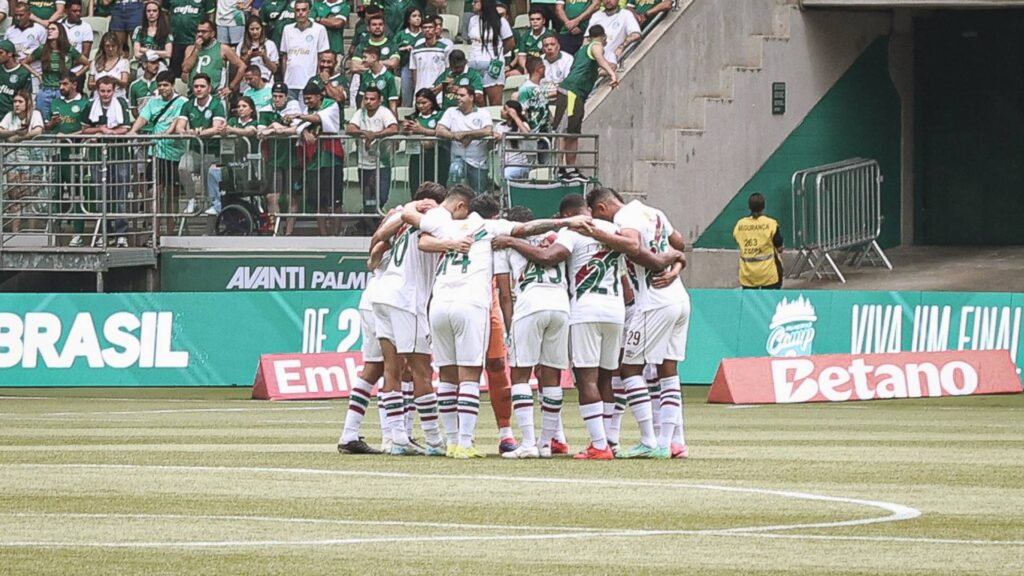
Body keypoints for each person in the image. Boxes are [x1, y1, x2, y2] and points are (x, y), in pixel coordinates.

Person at [400, 188, 590, 458]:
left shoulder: (444, 223)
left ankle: (451, 442)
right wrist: (564, 222)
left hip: (439, 302)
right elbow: (529, 228)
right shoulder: (492, 227)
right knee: (469, 375)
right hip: (472, 303)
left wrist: (416, 206)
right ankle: (465, 443)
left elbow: (412, 224)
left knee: (446, 376)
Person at [586, 187, 689, 459]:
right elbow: (679, 243)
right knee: (668, 369)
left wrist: (597, 233)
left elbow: (631, 246)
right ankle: (672, 443)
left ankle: (649, 440)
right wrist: (674, 267)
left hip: (653, 300)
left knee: (630, 367)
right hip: (679, 297)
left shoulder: (624, 219)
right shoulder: (654, 211)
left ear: (601, 209)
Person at [368, 182, 451, 456]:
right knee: (422, 369)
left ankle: (398, 437)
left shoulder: (400, 218)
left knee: (392, 368)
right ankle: (434, 439)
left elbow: (377, 241)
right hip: (407, 297)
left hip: (382, 294)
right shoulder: (437, 216)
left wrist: (406, 209)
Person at [552, 25, 617, 181]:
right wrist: (612, 74)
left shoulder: (582, 50)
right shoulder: (596, 45)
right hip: (571, 92)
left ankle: (571, 168)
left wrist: (604, 70)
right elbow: (600, 58)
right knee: (566, 131)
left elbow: (588, 68)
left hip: (575, 93)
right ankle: (561, 168)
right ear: (603, 37)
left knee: (573, 133)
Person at [128, 70, 186, 236]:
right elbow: (143, 118)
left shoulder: (183, 102)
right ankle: (154, 232)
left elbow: (177, 121)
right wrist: (133, 131)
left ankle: (170, 233)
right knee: (153, 193)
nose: (162, 88)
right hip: (156, 153)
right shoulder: (153, 102)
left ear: (172, 85)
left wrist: (167, 132)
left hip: (175, 155)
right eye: (160, 85)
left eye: (165, 85)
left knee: (172, 196)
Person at [285, 79, 344, 235]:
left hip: (330, 157)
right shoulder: (307, 111)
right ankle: (324, 234)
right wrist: (303, 131)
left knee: (335, 200)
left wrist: (300, 117)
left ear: (319, 96)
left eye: (310, 98)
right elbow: (298, 127)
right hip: (313, 160)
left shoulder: (331, 105)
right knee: (317, 200)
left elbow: (319, 118)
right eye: (305, 99)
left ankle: (336, 234)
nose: (307, 102)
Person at [80, 76, 133, 247]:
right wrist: (100, 130)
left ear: (114, 90)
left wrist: (110, 133)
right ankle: (105, 232)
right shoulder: (89, 105)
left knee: (121, 195)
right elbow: (84, 129)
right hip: (97, 156)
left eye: (108, 91)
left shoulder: (122, 104)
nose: (105, 94)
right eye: (102, 91)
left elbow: (126, 127)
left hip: (120, 154)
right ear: (97, 91)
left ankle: (121, 233)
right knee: (102, 196)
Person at [172, 72, 227, 215]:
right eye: (196, 86)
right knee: (183, 167)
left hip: (212, 152)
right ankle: (192, 200)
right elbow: (179, 127)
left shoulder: (217, 104)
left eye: (202, 86)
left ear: (209, 88)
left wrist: (195, 132)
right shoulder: (188, 104)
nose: (198, 89)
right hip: (195, 150)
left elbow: (216, 128)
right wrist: (194, 132)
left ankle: (212, 210)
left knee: (209, 183)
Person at [45, 72, 88, 246]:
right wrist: (51, 126)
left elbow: (86, 129)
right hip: (57, 154)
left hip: (75, 154)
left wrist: (68, 136)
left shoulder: (84, 103)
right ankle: (55, 228)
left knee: (76, 192)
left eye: (64, 84)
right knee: (55, 191)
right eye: (60, 84)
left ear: (74, 84)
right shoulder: (56, 102)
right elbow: (47, 127)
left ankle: (78, 232)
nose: (61, 87)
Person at [255, 81, 302, 235]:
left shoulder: (294, 106)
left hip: (292, 158)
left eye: (280, 96)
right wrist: (275, 126)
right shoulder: (266, 109)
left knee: (291, 197)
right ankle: (275, 231)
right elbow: (260, 132)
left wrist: (275, 129)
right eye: (274, 96)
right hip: (273, 159)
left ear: (286, 97)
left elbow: (296, 130)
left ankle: (288, 233)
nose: (277, 99)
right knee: (272, 196)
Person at [346, 84, 397, 220]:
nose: (368, 102)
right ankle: (369, 222)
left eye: (372, 99)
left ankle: (375, 219)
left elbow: (393, 128)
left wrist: (375, 135)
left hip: (382, 162)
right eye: (366, 99)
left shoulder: (384, 112)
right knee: (367, 197)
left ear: (379, 100)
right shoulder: (360, 113)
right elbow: (349, 129)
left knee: (381, 196)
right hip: (364, 163)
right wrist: (364, 132)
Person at [22, 21, 88, 119]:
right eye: (48, 29)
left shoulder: (69, 50)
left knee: (62, 119)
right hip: (45, 90)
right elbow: (24, 62)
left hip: (62, 90)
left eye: (53, 29)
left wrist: (74, 77)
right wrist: (38, 75)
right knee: (44, 120)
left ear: (60, 32)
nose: (49, 31)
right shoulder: (42, 49)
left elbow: (86, 64)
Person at [205, 95, 258, 215]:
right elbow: (223, 129)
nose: (240, 109)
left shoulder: (254, 122)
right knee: (212, 171)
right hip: (230, 162)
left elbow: (249, 131)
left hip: (247, 165)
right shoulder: (232, 121)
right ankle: (216, 204)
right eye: (238, 106)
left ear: (251, 110)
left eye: (244, 106)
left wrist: (232, 130)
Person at [437, 84, 492, 193]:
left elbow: (488, 131)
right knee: (454, 172)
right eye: (457, 95)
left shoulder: (483, 113)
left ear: (471, 97)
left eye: (462, 95)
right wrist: (454, 136)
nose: (458, 98)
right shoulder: (451, 111)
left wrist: (468, 135)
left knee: (479, 193)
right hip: (458, 157)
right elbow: (439, 130)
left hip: (479, 161)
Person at [181, 19, 246, 99]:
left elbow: (242, 66)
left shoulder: (223, 48)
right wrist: (196, 50)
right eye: (198, 31)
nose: (200, 34)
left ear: (212, 33)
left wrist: (231, 87)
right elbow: (185, 69)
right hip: (193, 96)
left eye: (204, 32)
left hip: (215, 96)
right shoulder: (190, 49)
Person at [465, 0, 513, 106]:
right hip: (474, 65)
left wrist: (498, 55)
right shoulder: (472, 20)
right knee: (477, 101)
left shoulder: (501, 21)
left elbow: (510, 43)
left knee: (495, 102)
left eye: (476, 1)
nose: (473, 3)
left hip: (492, 65)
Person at [279, 0, 329, 101]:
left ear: (309, 12)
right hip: (290, 83)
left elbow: (322, 57)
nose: (300, 12)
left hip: (309, 82)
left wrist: (317, 79)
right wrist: (285, 78)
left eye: (303, 10)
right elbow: (285, 57)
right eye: (297, 10)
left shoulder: (319, 29)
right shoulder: (287, 29)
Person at [733, 192, 784, 289]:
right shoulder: (771, 224)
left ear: (749, 207)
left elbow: (737, 239)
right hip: (768, 275)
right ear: (763, 206)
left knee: (750, 301)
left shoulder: (740, 224)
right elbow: (779, 248)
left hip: (747, 275)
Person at [402, 87, 449, 193]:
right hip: (417, 154)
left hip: (437, 155)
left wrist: (422, 130)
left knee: (437, 185)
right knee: (416, 185)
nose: (421, 106)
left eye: (424, 102)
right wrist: (405, 130)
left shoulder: (440, 115)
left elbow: (442, 133)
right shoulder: (413, 117)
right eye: (418, 103)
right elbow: (404, 134)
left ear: (432, 102)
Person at [165, 0, 215, 79]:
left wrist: (208, 33)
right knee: (175, 73)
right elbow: (164, 13)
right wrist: (169, 31)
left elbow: (211, 14)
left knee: (195, 71)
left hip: (196, 41)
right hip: (176, 40)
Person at [586, 0, 640, 66]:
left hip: (612, 61)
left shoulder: (626, 14)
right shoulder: (596, 16)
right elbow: (586, 39)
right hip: (593, 61)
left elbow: (636, 34)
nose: (608, 1)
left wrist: (621, 47)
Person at [408, 14, 451, 97]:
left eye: (430, 27)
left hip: (438, 94)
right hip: (420, 93)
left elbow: (448, 71)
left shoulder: (445, 49)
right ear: (421, 30)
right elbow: (414, 73)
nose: (427, 30)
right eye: (424, 27)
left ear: (435, 29)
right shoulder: (415, 51)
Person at [9, 3, 49, 90]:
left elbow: (46, 51)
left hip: (35, 73)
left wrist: (31, 57)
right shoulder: (10, 31)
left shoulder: (39, 30)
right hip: (16, 73)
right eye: (16, 15)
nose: (18, 18)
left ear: (29, 14)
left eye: (21, 15)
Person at [493, 99, 531, 181]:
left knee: (506, 174)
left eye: (504, 109)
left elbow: (528, 134)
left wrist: (515, 117)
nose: (501, 111)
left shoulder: (522, 124)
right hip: (503, 163)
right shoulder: (499, 125)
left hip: (519, 164)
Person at [236, 15, 278, 89]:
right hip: (246, 85)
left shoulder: (270, 44)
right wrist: (248, 57)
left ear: (261, 29)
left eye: (257, 29)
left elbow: (274, 69)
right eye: (252, 29)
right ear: (247, 30)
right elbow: (238, 69)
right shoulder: (241, 45)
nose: (255, 32)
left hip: (266, 83)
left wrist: (264, 56)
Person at [355, 44, 398, 115]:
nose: (363, 60)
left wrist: (394, 122)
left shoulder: (388, 77)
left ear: (373, 57)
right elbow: (362, 99)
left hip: (383, 115)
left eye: (365, 57)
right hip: (368, 115)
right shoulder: (365, 75)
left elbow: (392, 102)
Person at [131, 1, 173, 72]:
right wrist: (158, 53)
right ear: (145, 13)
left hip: (160, 64)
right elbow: (137, 54)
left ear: (159, 13)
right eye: (148, 11)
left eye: (154, 11)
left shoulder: (166, 31)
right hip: (143, 63)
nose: (151, 13)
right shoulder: (139, 30)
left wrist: (146, 50)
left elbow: (168, 53)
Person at [87, 31, 130, 99]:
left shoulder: (124, 62)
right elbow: (89, 85)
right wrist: (102, 83)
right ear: (103, 47)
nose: (110, 49)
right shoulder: (95, 63)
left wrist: (113, 80)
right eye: (107, 46)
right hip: (98, 98)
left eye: (113, 46)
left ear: (117, 46)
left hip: (117, 97)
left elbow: (124, 83)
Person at [59, 0, 92, 86]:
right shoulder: (58, 25)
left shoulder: (86, 27)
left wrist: (68, 65)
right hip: (58, 70)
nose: (78, 13)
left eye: (79, 11)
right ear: (66, 11)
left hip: (77, 71)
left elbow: (85, 54)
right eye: (74, 11)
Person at [393, 6, 421, 107]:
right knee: (406, 94)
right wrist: (403, 48)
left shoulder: (424, 33)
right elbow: (392, 48)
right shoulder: (401, 34)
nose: (417, 18)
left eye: (419, 16)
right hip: (406, 66)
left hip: (422, 68)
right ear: (408, 19)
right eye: (414, 16)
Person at [0, 39, 34, 121]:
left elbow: (26, 98)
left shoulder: (23, 73)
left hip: (11, 117)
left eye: (1, 53)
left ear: (10, 54)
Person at [511, 8, 550, 76]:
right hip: (527, 66)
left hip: (545, 65)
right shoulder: (525, 36)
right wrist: (525, 68)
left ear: (543, 21)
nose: (535, 22)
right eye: (532, 19)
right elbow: (522, 57)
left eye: (538, 19)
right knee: (509, 74)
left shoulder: (550, 35)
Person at [517, 56, 550, 132]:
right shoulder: (525, 89)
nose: (545, 69)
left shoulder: (542, 88)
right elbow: (523, 111)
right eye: (543, 67)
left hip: (546, 131)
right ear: (538, 68)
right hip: (533, 133)